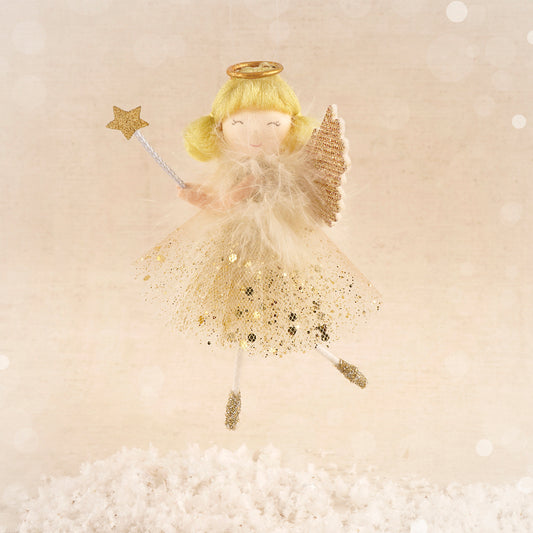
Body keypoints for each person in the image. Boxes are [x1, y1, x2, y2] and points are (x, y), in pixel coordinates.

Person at [137, 61, 381, 429]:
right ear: (218, 128)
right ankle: (327, 363)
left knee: (268, 308)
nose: (254, 135)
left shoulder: (260, 172)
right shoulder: (241, 168)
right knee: (262, 311)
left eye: (271, 125)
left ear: (291, 126)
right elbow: (223, 196)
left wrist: (195, 197)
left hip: (267, 245)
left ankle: (246, 389)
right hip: (244, 244)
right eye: (238, 124)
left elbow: (225, 202)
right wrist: (200, 192)